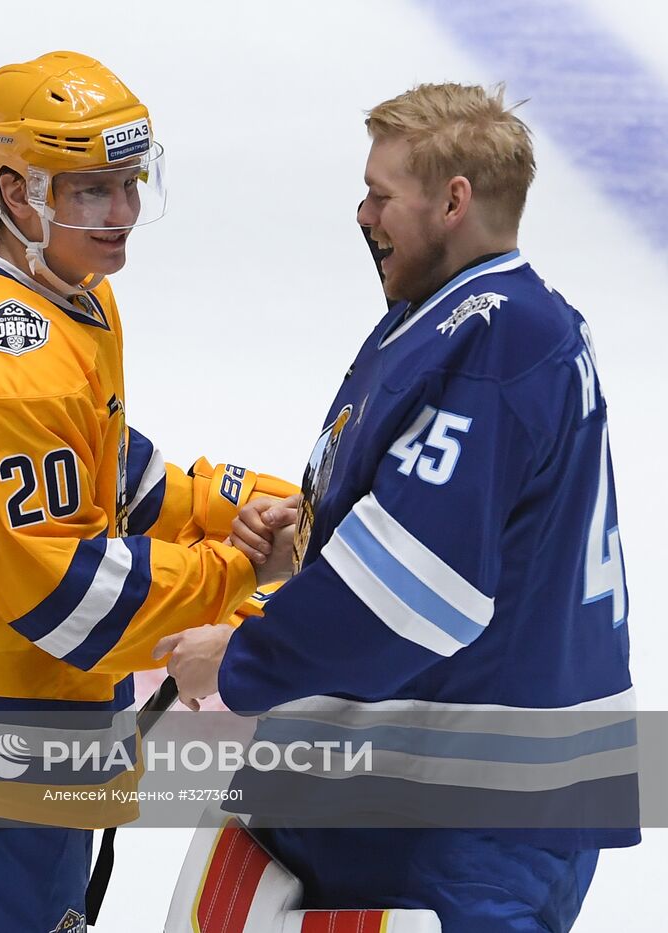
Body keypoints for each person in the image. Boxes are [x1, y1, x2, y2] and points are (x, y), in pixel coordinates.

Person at [0, 50, 294, 932]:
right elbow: (67, 595)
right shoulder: (10, 357)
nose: (123, 214)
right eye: (91, 191)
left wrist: (238, 504)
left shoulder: (33, 287)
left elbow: (102, 466)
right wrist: (235, 569)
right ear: (17, 192)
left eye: (130, 183)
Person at [167, 83, 637, 932]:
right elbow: (467, 523)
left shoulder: (497, 338)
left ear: (453, 201)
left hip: (467, 811)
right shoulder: (474, 317)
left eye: (382, 194)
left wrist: (241, 655)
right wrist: (315, 534)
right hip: (424, 797)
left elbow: (414, 591)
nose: (362, 212)